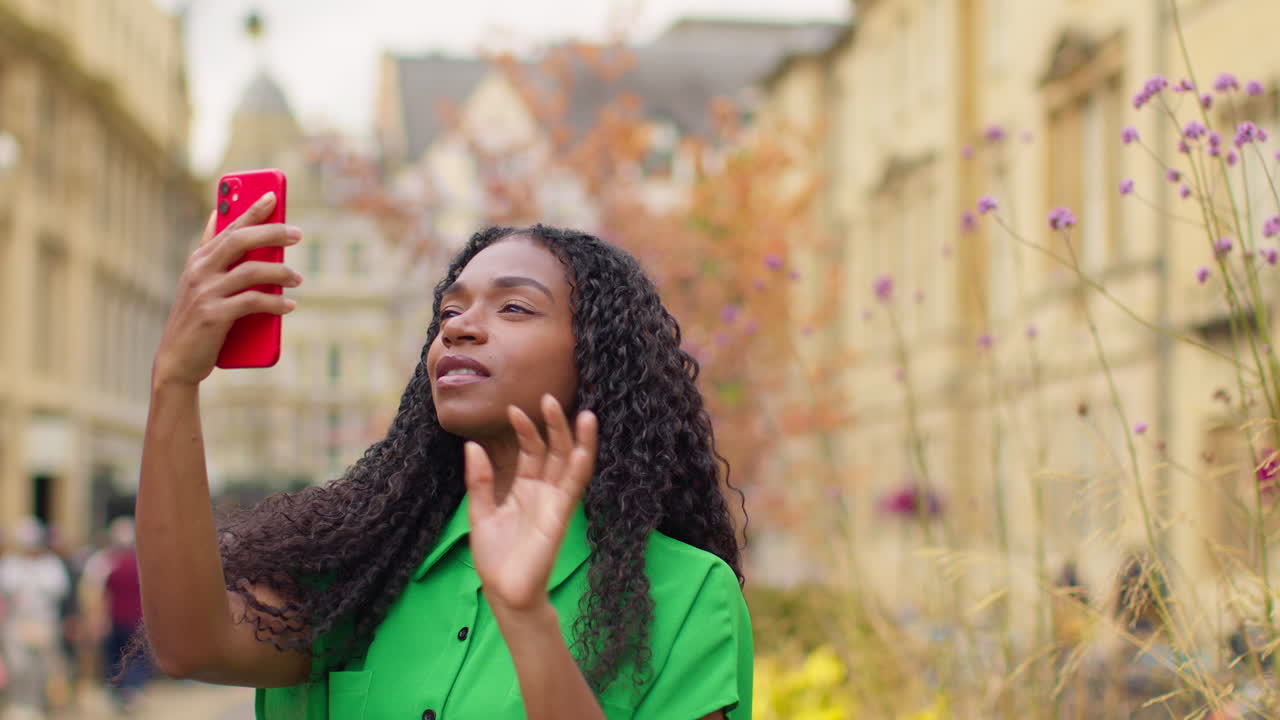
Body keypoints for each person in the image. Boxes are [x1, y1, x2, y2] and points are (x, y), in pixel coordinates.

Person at [138, 194, 753, 720]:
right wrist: (174, 379)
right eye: (449, 311)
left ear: (598, 356)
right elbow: (192, 643)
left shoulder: (688, 593)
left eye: (514, 307)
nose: (459, 328)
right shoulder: (363, 566)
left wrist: (527, 618)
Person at [0, 517, 70, 720]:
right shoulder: (9, 565)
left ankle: (37, 702)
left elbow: (59, 593)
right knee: (18, 665)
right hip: (16, 623)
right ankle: (19, 702)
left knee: (41, 667)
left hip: (43, 622)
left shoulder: (51, 565)